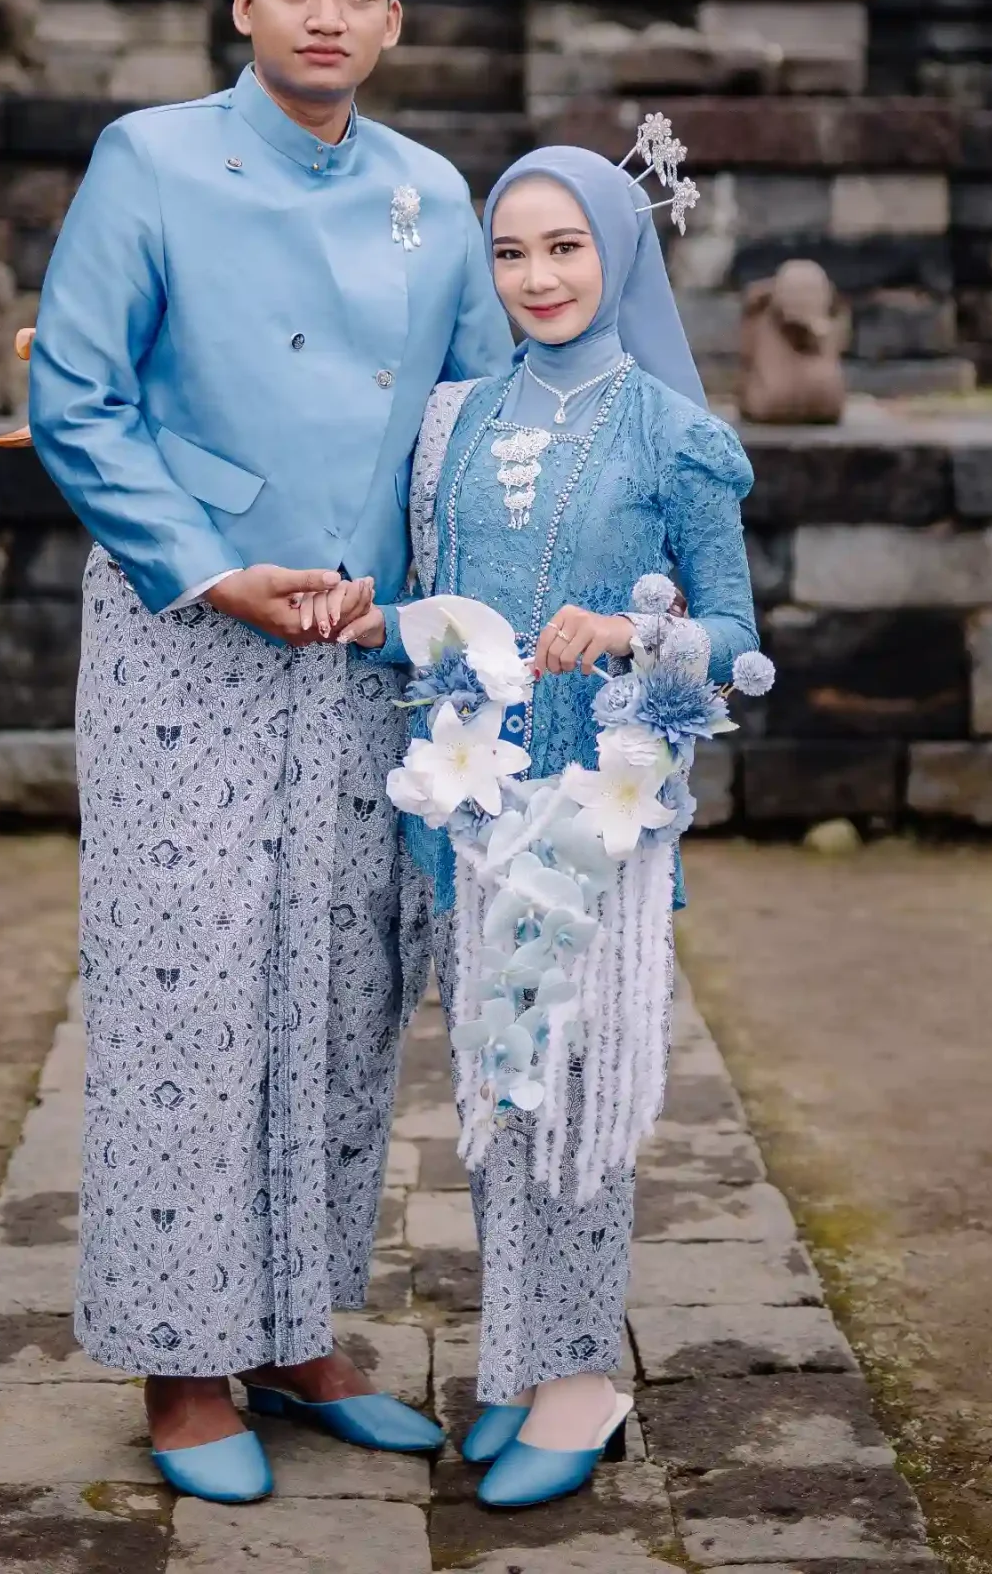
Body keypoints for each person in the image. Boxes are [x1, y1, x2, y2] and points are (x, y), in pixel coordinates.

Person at [28, 0, 513, 1504]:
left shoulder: (432, 192)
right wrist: (209, 565)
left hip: (362, 644)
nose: (325, 14)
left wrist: (417, 597)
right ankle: (181, 1365)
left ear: (393, 22)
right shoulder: (150, 160)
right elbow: (77, 397)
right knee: (186, 990)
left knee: (340, 991)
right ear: (242, 4)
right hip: (189, 630)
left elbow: (464, 417)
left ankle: (296, 1332)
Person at [334, 141, 759, 1510]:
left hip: (595, 822)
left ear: (618, 253)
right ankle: (517, 1367)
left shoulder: (674, 437)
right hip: (466, 808)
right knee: (498, 1093)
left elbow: (736, 636)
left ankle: (582, 1382)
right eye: (510, 251)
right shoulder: (449, 423)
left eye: (565, 247)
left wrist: (631, 638)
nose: (537, 276)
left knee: (572, 1095)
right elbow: (431, 595)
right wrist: (377, 625)